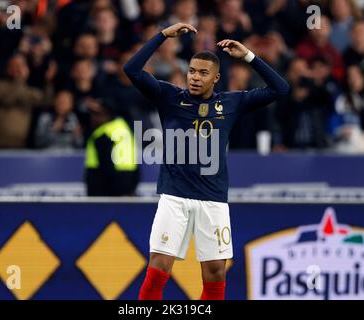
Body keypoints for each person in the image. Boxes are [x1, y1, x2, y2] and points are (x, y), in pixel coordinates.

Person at [123, 22, 289, 300]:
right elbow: (131, 69)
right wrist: (163, 36)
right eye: (191, 71)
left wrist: (248, 56)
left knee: (215, 272)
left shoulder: (232, 103)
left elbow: (281, 89)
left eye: (203, 73)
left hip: (213, 199)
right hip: (174, 197)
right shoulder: (169, 97)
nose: (195, 77)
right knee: (158, 267)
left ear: (216, 78)